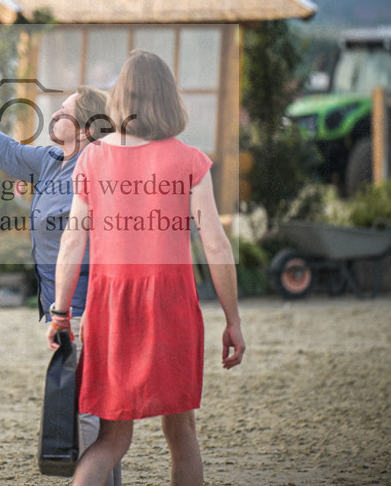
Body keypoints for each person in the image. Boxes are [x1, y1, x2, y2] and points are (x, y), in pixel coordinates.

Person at [45, 50, 246, 486]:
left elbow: (73, 238)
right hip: (172, 308)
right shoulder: (191, 161)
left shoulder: (94, 159)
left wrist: (61, 311)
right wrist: (233, 320)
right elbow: (215, 242)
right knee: (181, 430)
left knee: (114, 439)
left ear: (120, 99)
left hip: (111, 309)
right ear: (169, 99)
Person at [0, 88, 123, 486]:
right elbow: (0, 147)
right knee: (92, 416)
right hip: (65, 310)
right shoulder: (50, 162)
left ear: (84, 129)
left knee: (83, 416)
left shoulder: (100, 167)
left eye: (62, 113)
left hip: (91, 308)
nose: (54, 117)